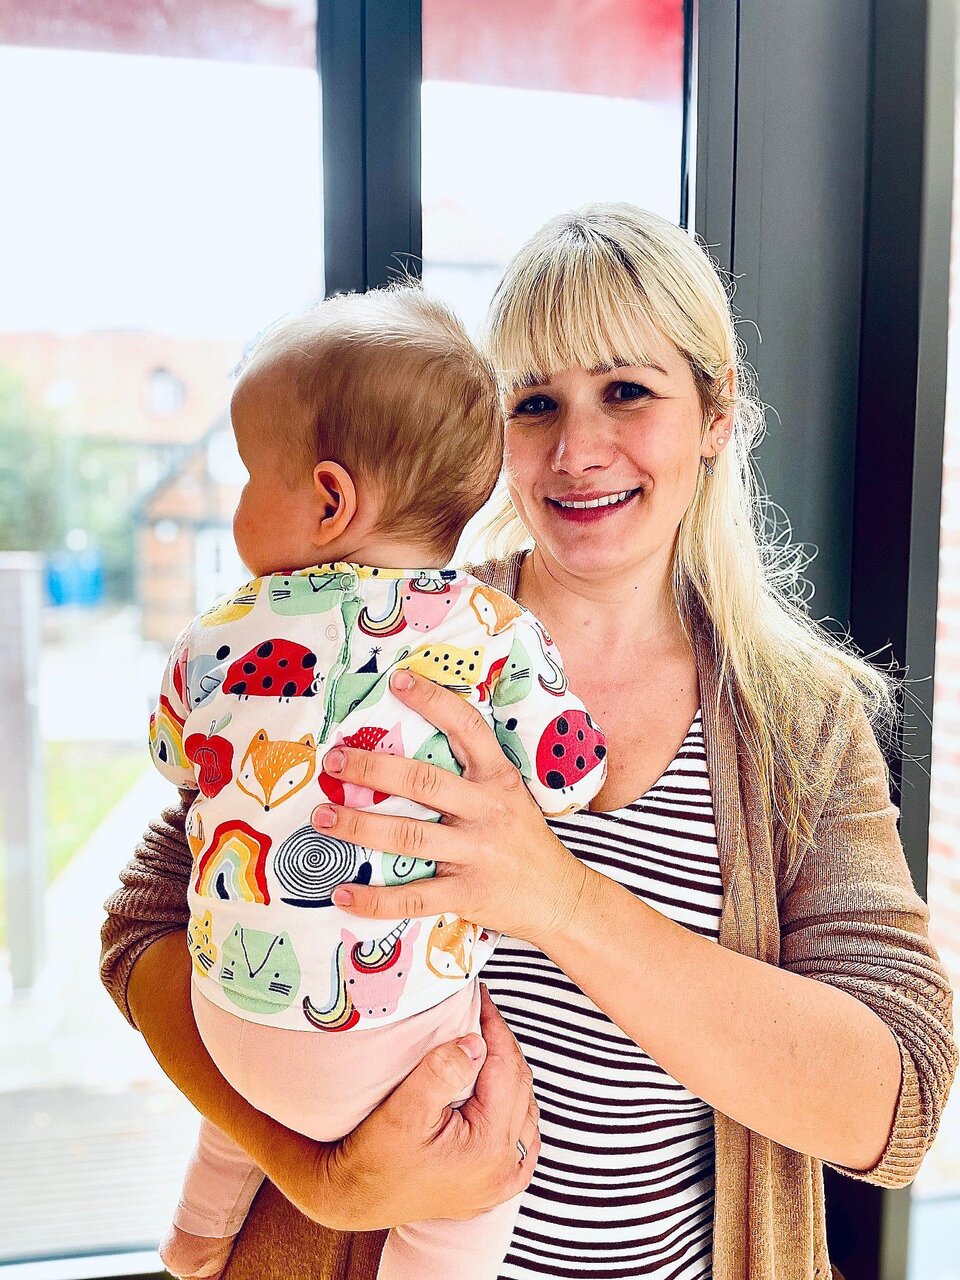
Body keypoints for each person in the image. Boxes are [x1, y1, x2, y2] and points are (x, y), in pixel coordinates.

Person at [102, 203, 957, 1280]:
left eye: (627, 391)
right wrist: (322, 1174)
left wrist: (558, 895)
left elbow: (902, 1100)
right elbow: (140, 932)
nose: (576, 448)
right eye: (535, 401)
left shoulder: (800, 720)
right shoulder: (380, 638)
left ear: (715, 410)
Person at [147, 284, 606, 1280]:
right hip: (390, 1039)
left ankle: (195, 1226)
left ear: (327, 499)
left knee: (247, 1065)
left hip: (225, 1017)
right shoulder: (493, 629)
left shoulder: (221, 629)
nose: (235, 508)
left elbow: (174, 753)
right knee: (479, 1177)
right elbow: (574, 774)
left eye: (245, 477)